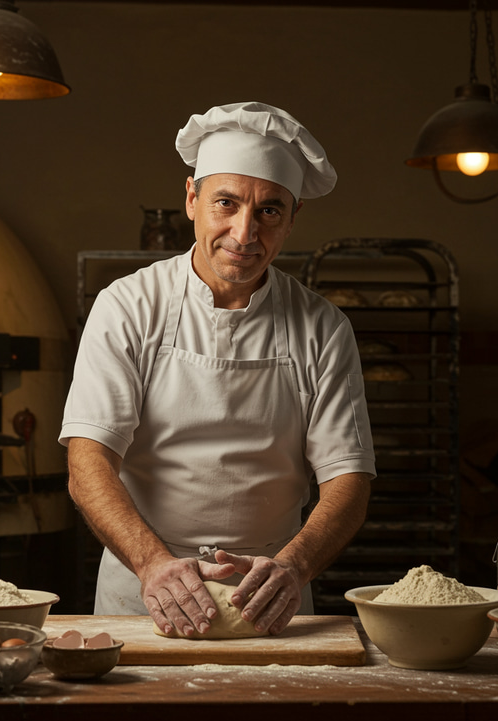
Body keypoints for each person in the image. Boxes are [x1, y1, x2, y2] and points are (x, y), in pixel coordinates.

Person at [60, 101, 375, 638]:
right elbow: (88, 461)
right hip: (144, 590)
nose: (244, 232)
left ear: (293, 218)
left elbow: (349, 481)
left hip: (271, 595)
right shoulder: (128, 307)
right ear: (191, 199)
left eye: (270, 211)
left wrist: (294, 566)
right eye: (225, 203)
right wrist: (152, 564)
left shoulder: (323, 327)